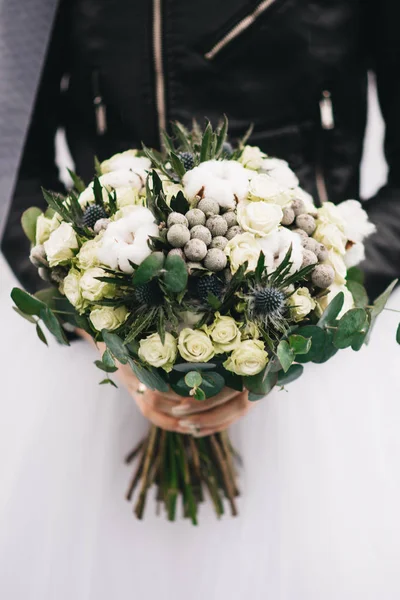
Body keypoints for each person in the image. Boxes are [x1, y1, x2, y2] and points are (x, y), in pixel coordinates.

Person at [1, 2, 400, 598]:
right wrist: (112, 333)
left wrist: (311, 302)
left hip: (311, 357)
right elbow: (13, 159)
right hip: (106, 359)